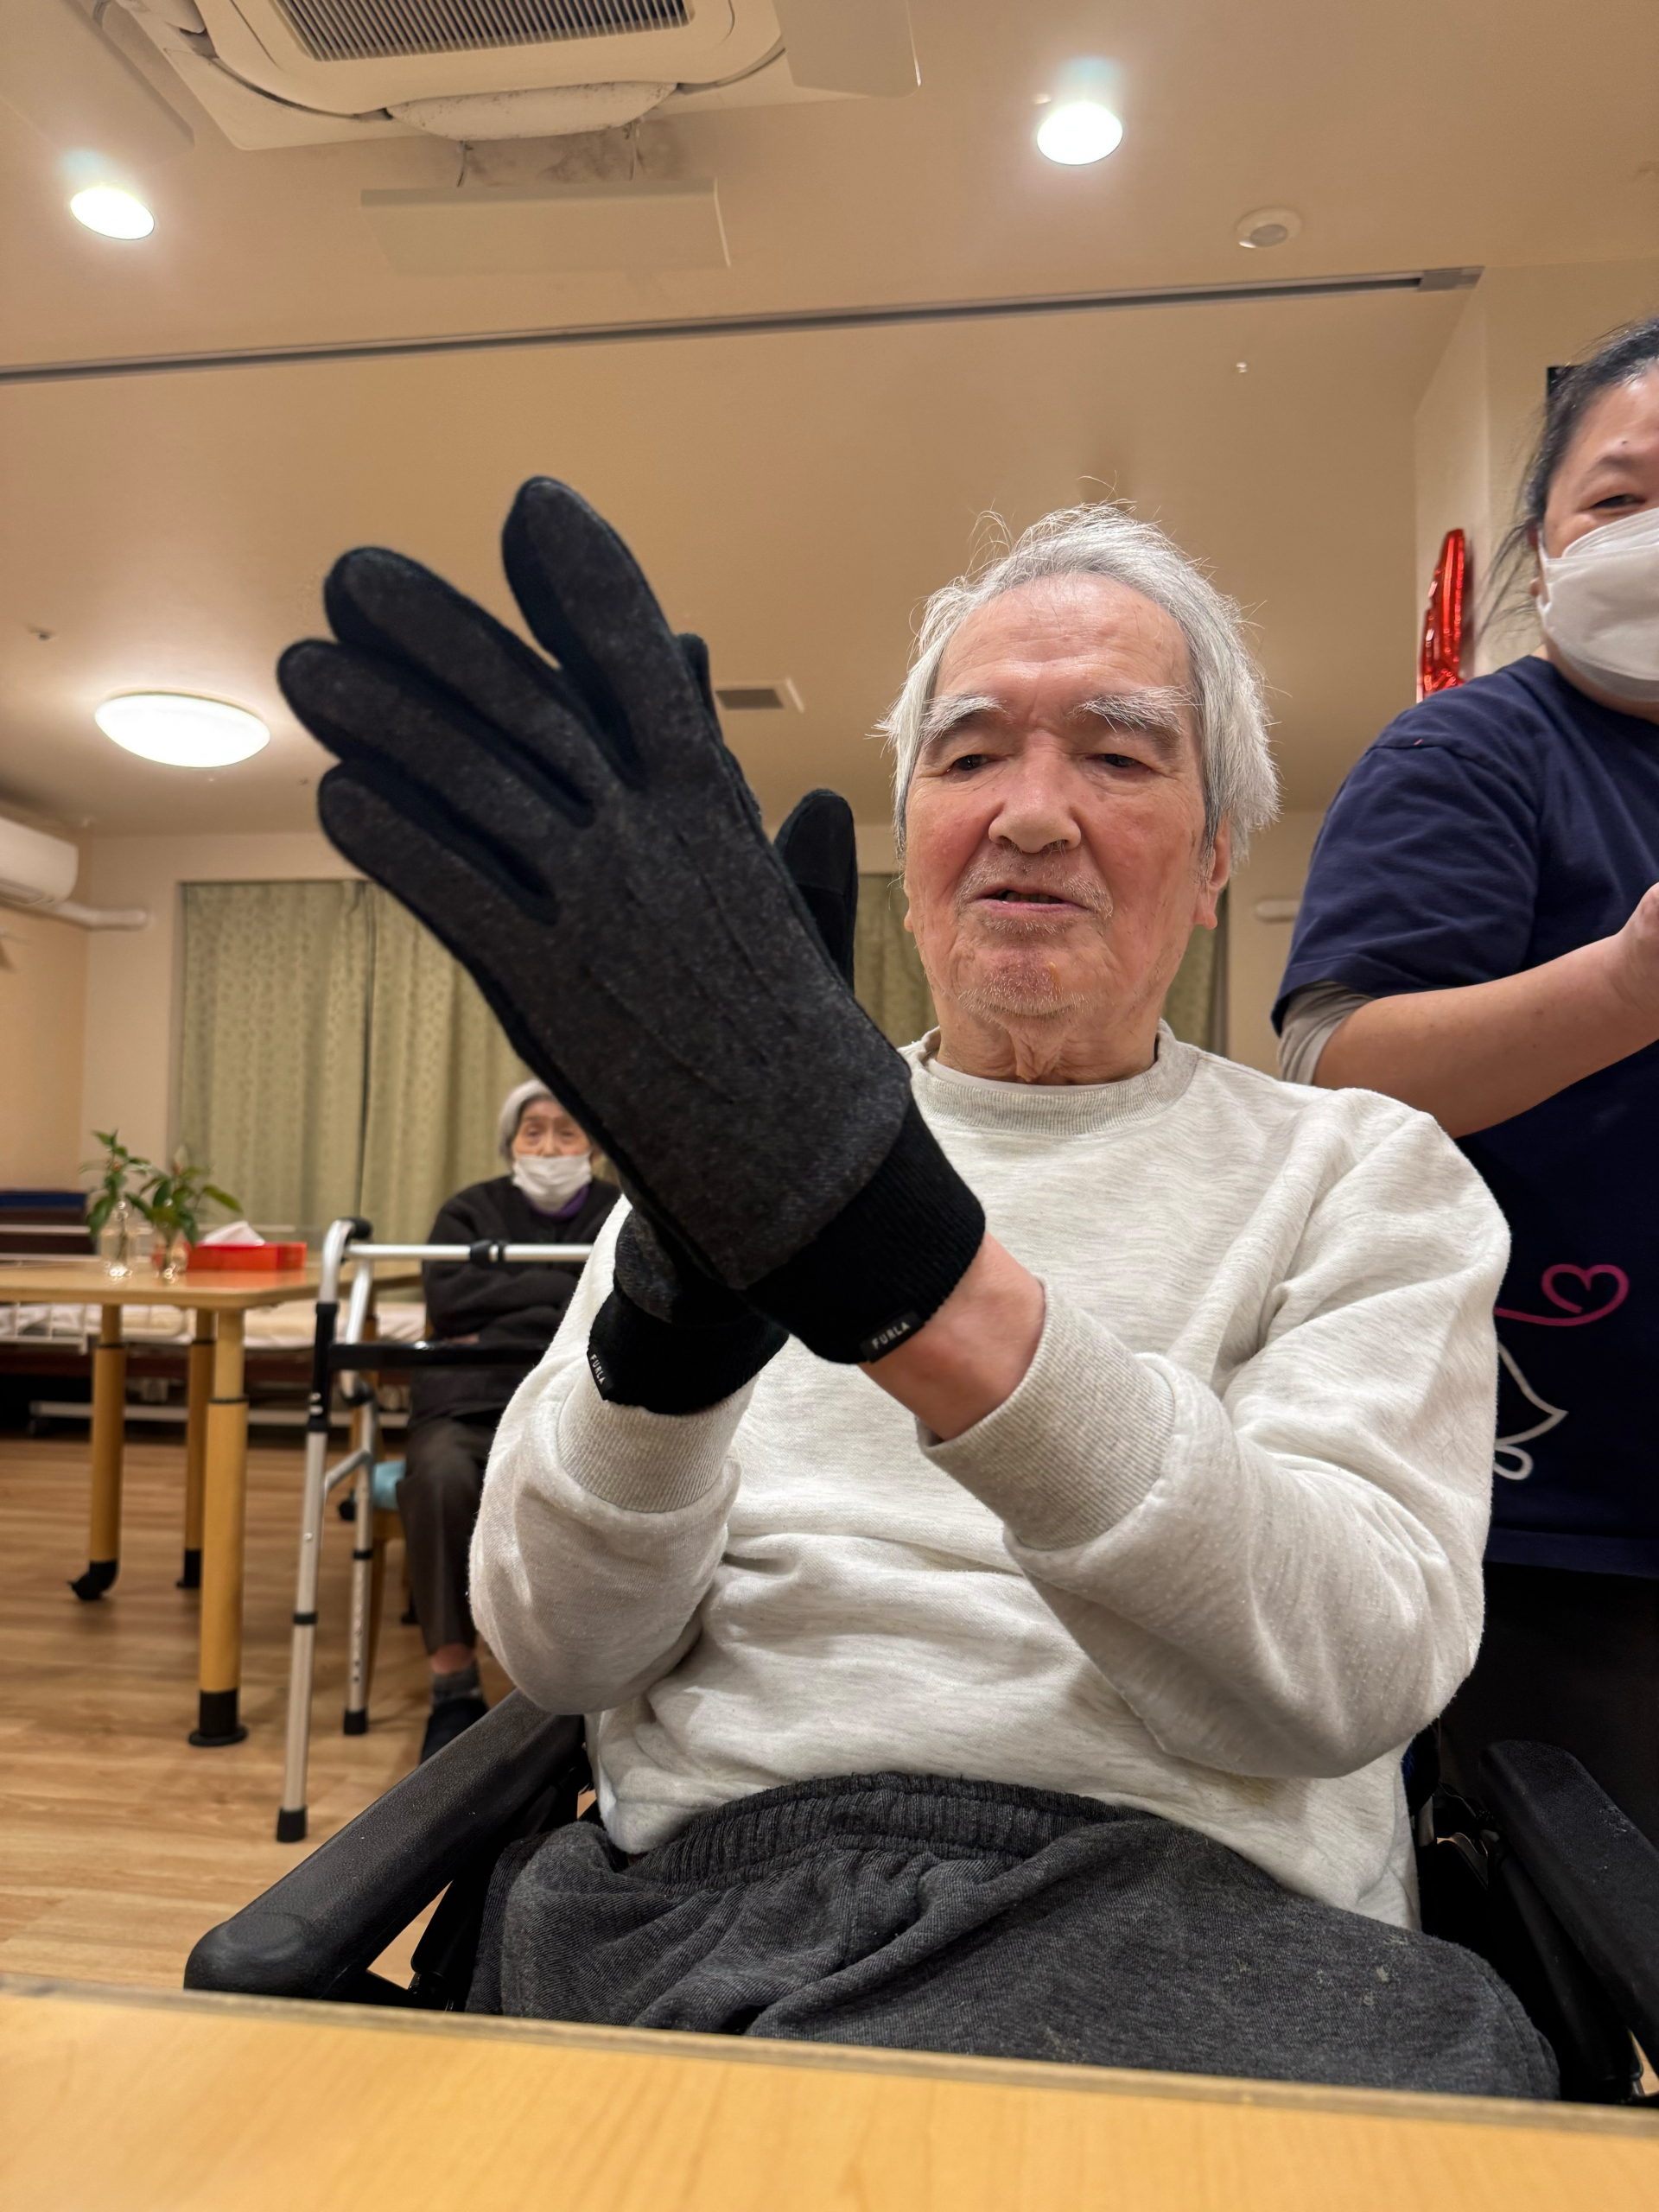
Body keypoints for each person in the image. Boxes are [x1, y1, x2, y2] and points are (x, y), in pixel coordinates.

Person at [281, 480, 1553, 2097]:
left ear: (1217, 857)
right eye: (968, 756)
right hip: (703, 1907)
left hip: (1208, 1938)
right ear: (911, 848)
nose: (1032, 813)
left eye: (1118, 756)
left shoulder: (1363, 1172)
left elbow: (1352, 1674)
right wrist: (669, 1338)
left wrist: (918, 1278)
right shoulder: (729, 1149)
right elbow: (564, 1652)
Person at [1274, 315, 1659, 1844]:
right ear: (1541, 546)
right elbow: (1336, 1061)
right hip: (1559, 1516)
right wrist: (1625, 990)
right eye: (1619, 497)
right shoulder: (1476, 757)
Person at [397, 1081, 618, 1761]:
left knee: (613, 1480)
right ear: (511, 1144)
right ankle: (453, 1684)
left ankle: (580, 1688)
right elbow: (447, 1301)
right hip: (471, 1398)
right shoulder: (467, 1211)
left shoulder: (619, 1213)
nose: (549, 1147)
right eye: (533, 1131)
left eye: (566, 1131)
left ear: (593, 1148)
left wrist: (503, 1305)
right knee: (438, 1472)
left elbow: (623, 1303)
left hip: (580, 1401)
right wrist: (559, 1296)